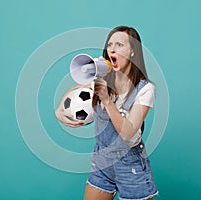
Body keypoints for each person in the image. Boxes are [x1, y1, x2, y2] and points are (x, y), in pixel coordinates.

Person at [55, 26, 158, 200]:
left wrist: (107, 101)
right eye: (110, 44)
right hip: (102, 163)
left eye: (119, 44)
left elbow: (127, 133)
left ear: (132, 51)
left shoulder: (145, 89)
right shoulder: (103, 80)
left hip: (130, 167)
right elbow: (76, 89)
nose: (112, 49)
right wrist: (59, 111)